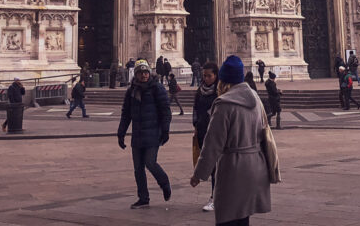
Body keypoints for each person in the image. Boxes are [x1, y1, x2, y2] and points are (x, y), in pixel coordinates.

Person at [191, 55, 273, 225]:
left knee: (227, 218)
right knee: (243, 217)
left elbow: (212, 144)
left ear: (223, 81)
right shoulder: (255, 98)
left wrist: (199, 173)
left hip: (233, 168)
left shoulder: (223, 104)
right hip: (255, 166)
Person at [117, 59, 172, 209]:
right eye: (140, 72)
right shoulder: (132, 91)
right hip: (138, 134)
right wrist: (121, 133)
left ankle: (164, 182)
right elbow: (126, 114)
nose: (144, 75)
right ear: (136, 74)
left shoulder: (157, 88)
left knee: (150, 162)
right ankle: (143, 198)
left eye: (146, 72)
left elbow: (165, 111)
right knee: (138, 168)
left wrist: (165, 130)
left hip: (153, 133)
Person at [192, 61, 220, 212]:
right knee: (211, 165)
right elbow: (196, 109)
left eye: (209, 76)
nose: (206, 78)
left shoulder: (220, 91)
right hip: (203, 130)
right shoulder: (200, 91)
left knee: (216, 166)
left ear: (216, 75)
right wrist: (196, 125)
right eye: (204, 76)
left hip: (216, 132)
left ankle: (215, 198)